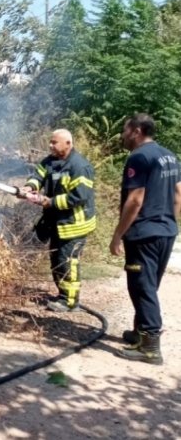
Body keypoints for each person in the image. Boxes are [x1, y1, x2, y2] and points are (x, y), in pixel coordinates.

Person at [109, 113, 180, 365]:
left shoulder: (139, 157)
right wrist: (170, 223)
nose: (123, 135)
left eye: (125, 130)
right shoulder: (169, 155)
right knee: (149, 283)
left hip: (144, 233)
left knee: (141, 286)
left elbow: (136, 199)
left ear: (136, 131)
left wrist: (118, 234)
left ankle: (150, 346)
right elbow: (178, 194)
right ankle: (140, 333)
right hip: (166, 230)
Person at [19, 129, 97, 312]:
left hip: (74, 225)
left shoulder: (80, 167)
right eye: (50, 142)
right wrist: (30, 188)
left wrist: (49, 202)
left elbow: (79, 197)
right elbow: (38, 176)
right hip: (58, 223)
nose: (50, 145)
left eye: (54, 142)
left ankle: (69, 301)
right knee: (57, 260)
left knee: (68, 261)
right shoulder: (50, 162)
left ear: (68, 144)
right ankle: (63, 295)